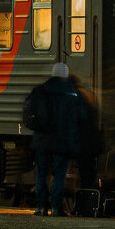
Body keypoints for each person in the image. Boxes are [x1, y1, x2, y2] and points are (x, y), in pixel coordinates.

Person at [30, 62, 87, 216]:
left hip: (42, 139)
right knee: (59, 173)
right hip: (63, 140)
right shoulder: (73, 92)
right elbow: (82, 116)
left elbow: (30, 112)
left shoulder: (40, 90)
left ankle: (41, 207)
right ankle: (56, 207)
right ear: (65, 75)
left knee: (41, 172)